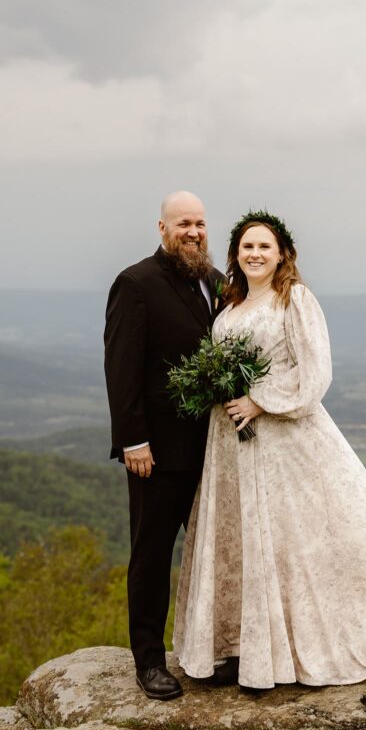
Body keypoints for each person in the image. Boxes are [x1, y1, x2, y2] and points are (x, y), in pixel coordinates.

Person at [173, 211, 366, 703]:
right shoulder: (229, 308)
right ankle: (248, 647)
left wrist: (259, 399)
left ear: (283, 253)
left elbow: (316, 373)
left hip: (284, 441)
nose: (255, 255)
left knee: (293, 543)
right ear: (236, 256)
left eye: (264, 246)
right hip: (231, 445)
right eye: (247, 247)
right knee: (246, 541)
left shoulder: (295, 300)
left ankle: (290, 652)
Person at [104, 190, 226, 700]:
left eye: (199, 223)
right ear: (161, 228)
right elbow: (121, 367)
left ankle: (212, 652)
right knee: (152, 556)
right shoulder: (135, 283)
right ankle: (149, 661)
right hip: (156, 453)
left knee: (214, 554)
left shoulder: (217, 283)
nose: (193, 232)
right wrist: (134, 440)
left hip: (215, 450)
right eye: (183, 224)